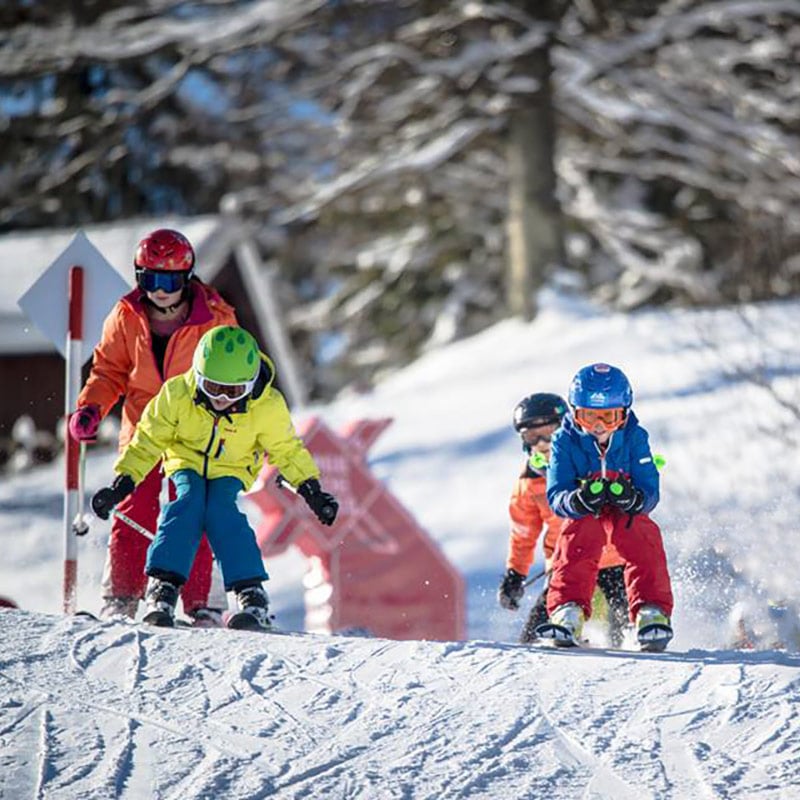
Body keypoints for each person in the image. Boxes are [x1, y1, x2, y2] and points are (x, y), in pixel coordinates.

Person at [90, 325, 339, 630]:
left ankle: (251, 594)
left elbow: (287, 450)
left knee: (222, 512)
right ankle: (164, 587)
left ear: (249, 385)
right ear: (197, 376)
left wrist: (311, 490)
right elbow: (147, 441)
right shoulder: (176, 394)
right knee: (187, 504)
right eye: (212, 387)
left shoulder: (266, 407)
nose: (221, 398)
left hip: (232, 468)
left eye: (233, 391)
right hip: (185, 460)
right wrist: (122, 484)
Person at [69, 228, 237, 625]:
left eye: (170, 281)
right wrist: (91, 408)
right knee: (133, 508)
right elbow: (108, 371)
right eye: (150, 280)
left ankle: (203, 604)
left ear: (187, 278)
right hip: (143, 427)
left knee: (193, 508)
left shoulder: (215, 318)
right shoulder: (126, 316)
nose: (160, 291)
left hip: (194, 429)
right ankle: (122, 597)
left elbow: (234, 374)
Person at [537, 363, 674, 651]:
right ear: (575, 413)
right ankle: (567, 609)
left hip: (624, 509)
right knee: (577, 533)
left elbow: (650, 487)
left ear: (623, 415)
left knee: (642, 532)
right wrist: (576, 500)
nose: (598, 426)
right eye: (589, 416)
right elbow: (557, 491)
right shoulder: (564, 440)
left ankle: (651, 611)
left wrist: (635, 499)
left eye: (608, 417)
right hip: (588, 509)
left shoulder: (635, 437)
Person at [497, 393, 629, 646]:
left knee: (625, 629)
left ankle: (633, 639)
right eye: (532, 436)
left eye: (550, 432)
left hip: (613, 560)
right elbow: (523, 533)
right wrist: (515, 574)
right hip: (566, 566)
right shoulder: (529, 483)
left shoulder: (592, 461)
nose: (543, 443)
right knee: (535, 640)